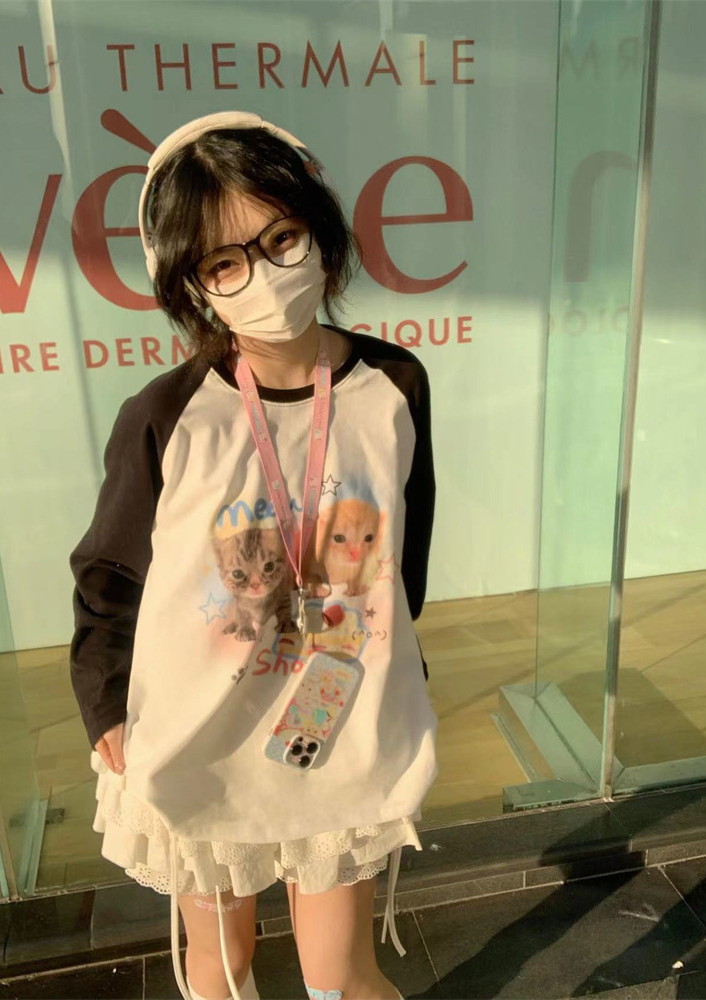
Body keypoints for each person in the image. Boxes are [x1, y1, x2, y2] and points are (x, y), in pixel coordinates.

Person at [69, 111, 438, 1000]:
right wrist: (105, 699)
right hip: (202, 721)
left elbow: (404, 549)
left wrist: (397, 664)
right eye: (225, 263)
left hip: (337, 708)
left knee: (339, 970)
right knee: (223, 967)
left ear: (320, 230)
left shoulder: (393, 385)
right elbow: (111, 572)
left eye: (281, 240)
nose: (264, 276)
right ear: (193, 284)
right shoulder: (167, 415)